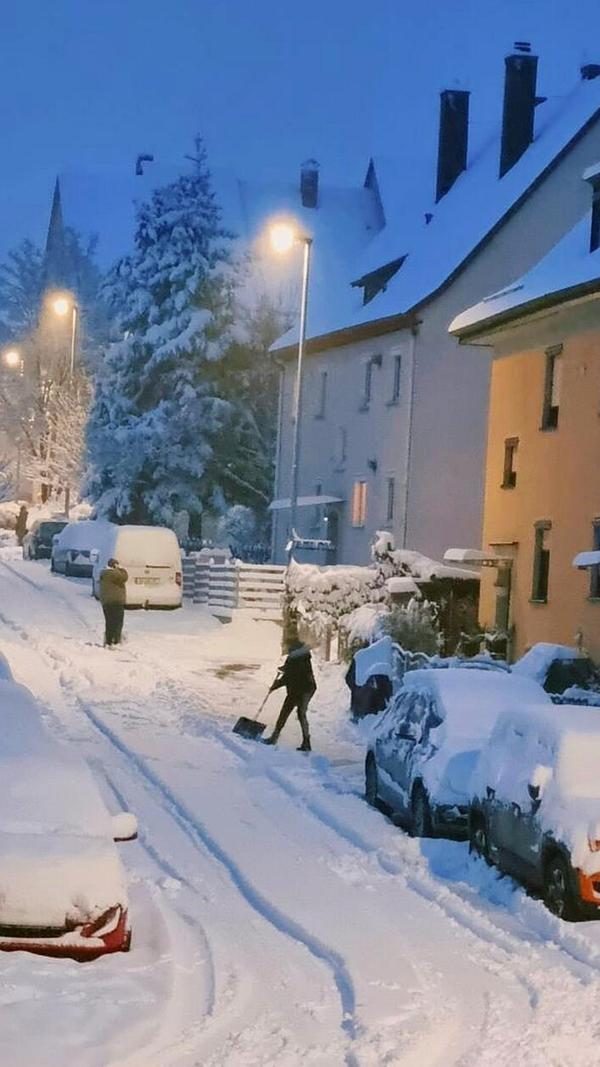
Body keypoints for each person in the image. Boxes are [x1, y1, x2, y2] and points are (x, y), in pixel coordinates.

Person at [263, 637, 316, 751]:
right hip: (298, 688)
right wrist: (284, 669)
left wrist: (275, 685)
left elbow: (289, 676)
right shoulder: (297, 655)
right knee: (286, 712)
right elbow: (289, 669)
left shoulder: (297, 658)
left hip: (305, 689)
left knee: (300, 713)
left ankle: (306, 742)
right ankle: (275, 737)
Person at [99, 558, 128, 647]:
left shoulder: (104, 573)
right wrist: (121, 568)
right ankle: (115, 641)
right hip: (116, 601)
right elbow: (124, 577)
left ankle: (109, 640)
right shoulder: (113, 574)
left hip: (106, 602)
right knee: (117, 622)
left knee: (109, 622)